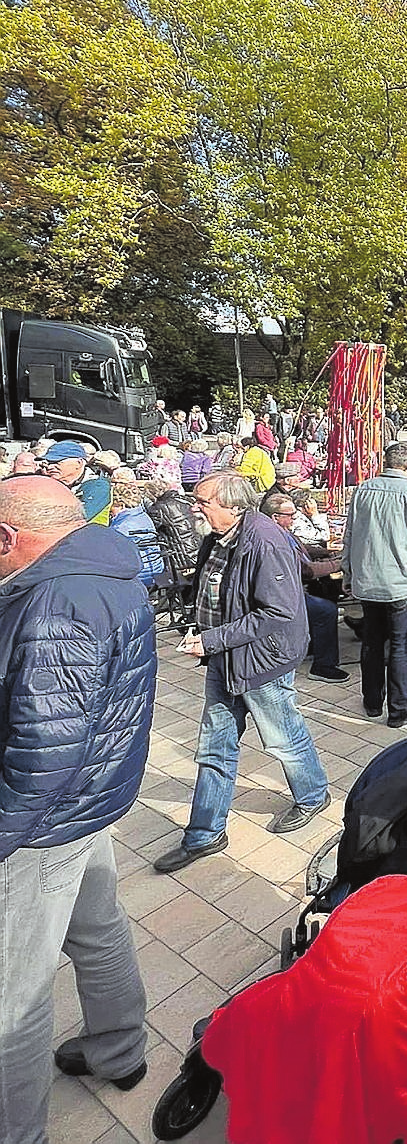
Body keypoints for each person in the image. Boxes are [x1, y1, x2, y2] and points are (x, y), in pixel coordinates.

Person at [0, 479, 156, 1139]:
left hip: (42, 822)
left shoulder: (56, 599)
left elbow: (46, 749)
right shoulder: (100, 560)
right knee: (96, 925)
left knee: (13, 994)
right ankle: (119, 1048)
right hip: (92, 798)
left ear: (9, 536)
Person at [154, 472, 330, 873]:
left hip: (263, 662)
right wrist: (196, 626)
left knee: (283, 738)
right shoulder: (217, 536)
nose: (194, 508)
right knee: (215, 745)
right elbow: (211, 588)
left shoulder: (265, 542)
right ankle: (204, 833)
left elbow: (278, 611)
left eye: (203, 501)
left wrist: (213, 639)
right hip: (226, 658)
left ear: (233, 507)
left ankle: (313, 794)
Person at [341, 444, 407, 727]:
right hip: (400, 582)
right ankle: (399, 708)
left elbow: (350, 535)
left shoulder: (363, 490)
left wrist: (349, 571)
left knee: (372, 641)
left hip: (370, 580)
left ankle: (372, 701)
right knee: (400, 645)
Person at [263, 493, 347, 683]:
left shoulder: (283, 531)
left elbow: (303, 549)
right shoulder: (273, 538)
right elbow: (305, 571)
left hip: (295, 587)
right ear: (275, 517)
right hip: (284, 595)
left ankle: (312, 644)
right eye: (290, 514)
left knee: (329, 589)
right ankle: (323, 666)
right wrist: (338, 564)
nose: (294, 517)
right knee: (326, 609)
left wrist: (328, 550)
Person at [108, 479, 166, 587]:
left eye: (112, 506)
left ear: (121, 505)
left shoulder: (120, 528)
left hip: (135, 576)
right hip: (156, 570)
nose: (110, 511)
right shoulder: (144, 516)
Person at [39, 439, 111, 524]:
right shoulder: (53, 484)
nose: (50, 467)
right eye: (49, 462)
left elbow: (78, 517)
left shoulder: (98, 485)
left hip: (89, 535)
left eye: (56, 462)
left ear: (79, 463)